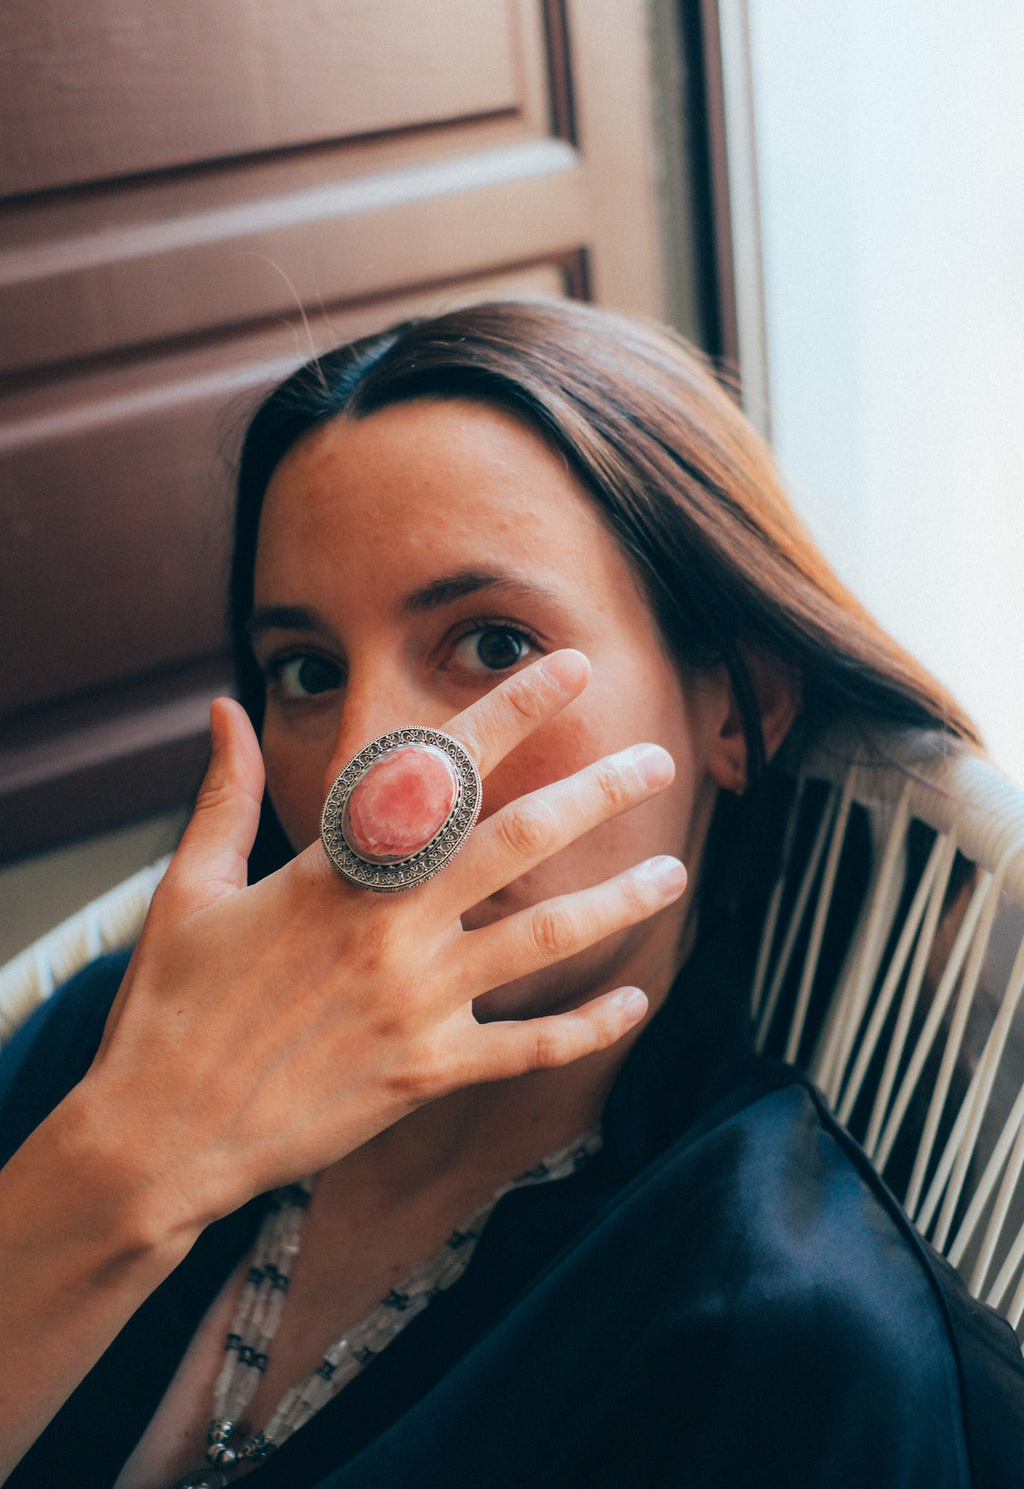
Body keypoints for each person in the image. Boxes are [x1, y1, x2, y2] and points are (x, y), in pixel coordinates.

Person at [1, 299, 1022, 1488]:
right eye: (308, 672)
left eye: (492, 646)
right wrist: (129, 1164)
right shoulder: (115, 1050)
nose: (361, 781)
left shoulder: (792, 1341)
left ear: (741, 704)